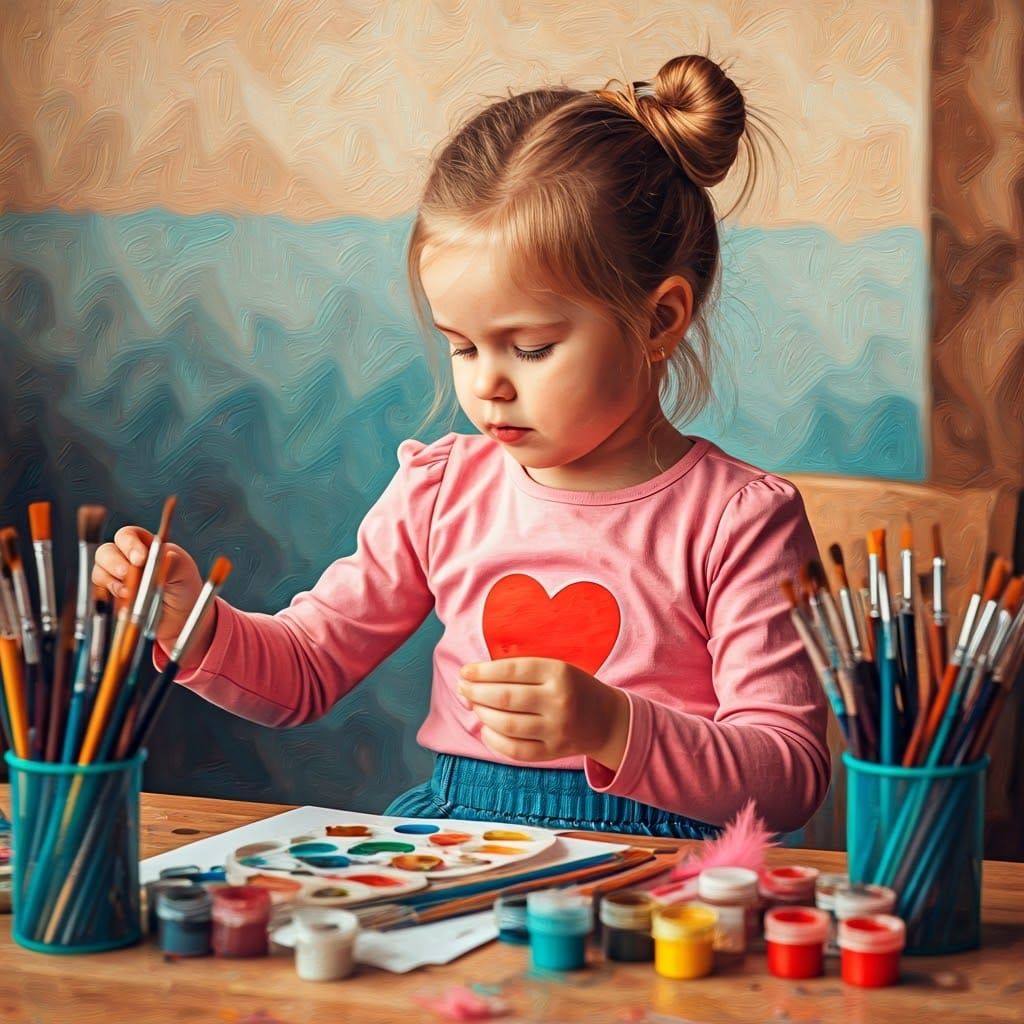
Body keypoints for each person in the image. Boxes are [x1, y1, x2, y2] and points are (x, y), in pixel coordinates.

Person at [94, 54, 830, 838]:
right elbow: (307, 668)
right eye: (464, 346)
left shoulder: (739, 520)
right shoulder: (443, 490)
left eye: (532, 347)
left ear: (659, 320)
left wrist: (616, 726)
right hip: (460, 846)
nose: (489, 387)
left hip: (654, 879)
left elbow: (788, 775)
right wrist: (192, 624)